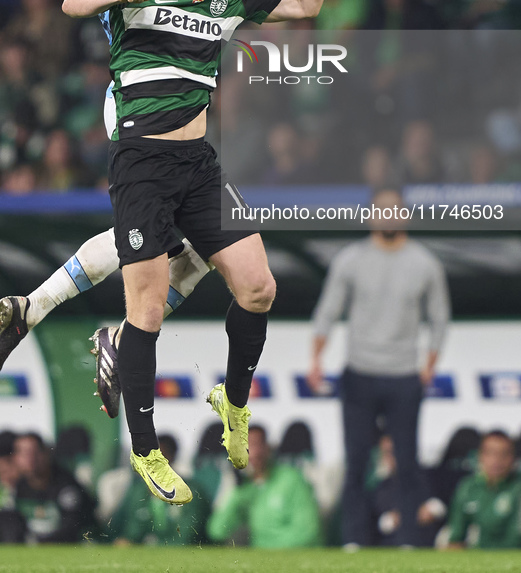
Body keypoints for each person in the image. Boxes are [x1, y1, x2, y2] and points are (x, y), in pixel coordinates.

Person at [0, 0, 315, 421]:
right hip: (141, 101)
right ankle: (75, 321)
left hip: (154, 92)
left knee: (186, 242)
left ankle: (36, 308)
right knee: (162, 232)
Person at [61, 0, 355, 504]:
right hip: (141, 161)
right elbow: (72, 2)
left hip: (198, 164)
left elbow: (305, 6)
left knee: (258, 287)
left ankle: (234, 400)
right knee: (145, 309)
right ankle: (146, 450)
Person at [307, 187, 450, 547]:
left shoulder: (424, 263)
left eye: (395, 210)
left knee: (406, 461)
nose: (388, 216)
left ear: (405, 216)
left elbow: (439, 319)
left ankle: (408, 540)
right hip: (360, 372)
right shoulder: (351, 260)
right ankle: (354, 541)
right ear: (370, 216)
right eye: (381, 210)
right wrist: (315, 360)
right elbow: (327, 312)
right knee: (356, 462)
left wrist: (429, 365)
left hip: (404, 375)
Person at [207, 425, 321, 547]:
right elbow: (217, 531)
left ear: (267, 449)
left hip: (290, 556)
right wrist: (237, 493)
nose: (249, 452)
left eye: (254, 444)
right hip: (261, 558)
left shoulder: (291, 480)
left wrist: (266, 549)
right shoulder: (244, 489)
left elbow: (308, 532)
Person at [112, 433, 211, 545]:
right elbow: (129, 532)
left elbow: (187, 536)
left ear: (171, 457)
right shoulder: (137, 491)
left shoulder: (190, 491)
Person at [12, 432, 95, 543]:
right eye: (23, 453)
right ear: (16, 458)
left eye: (34, 452)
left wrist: (37, 542)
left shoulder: (66, 485)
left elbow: (72, 529)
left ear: (45, 453)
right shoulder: (21, 486)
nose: (30, 459)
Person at [447, 430, 521, 549]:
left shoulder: (517, 487)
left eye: (504, 454)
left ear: (513, 458)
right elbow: (456, 539)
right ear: (480, 456)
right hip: (477, 559)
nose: (497, 460)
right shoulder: (468, 487)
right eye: (490, 453)